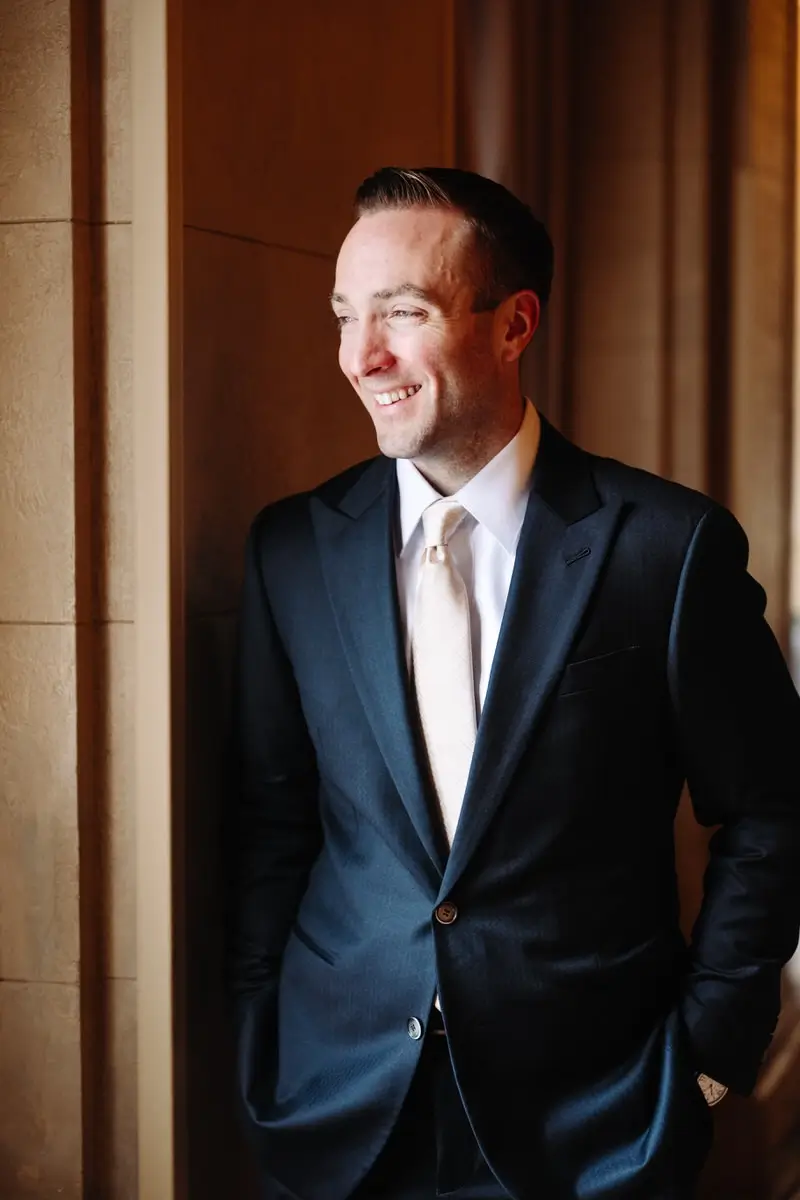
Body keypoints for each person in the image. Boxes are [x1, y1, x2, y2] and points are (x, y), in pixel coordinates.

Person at [226, 166, 800, 1200]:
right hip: (337, 1109)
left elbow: (769, 806)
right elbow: (273, 821)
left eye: (402, 314)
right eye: (344, 316)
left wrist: (711, 1048)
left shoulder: (662, 549)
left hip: (594, 1120)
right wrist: (264, 1034)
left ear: (512, 325)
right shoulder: (291, 552)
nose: (361, 357)